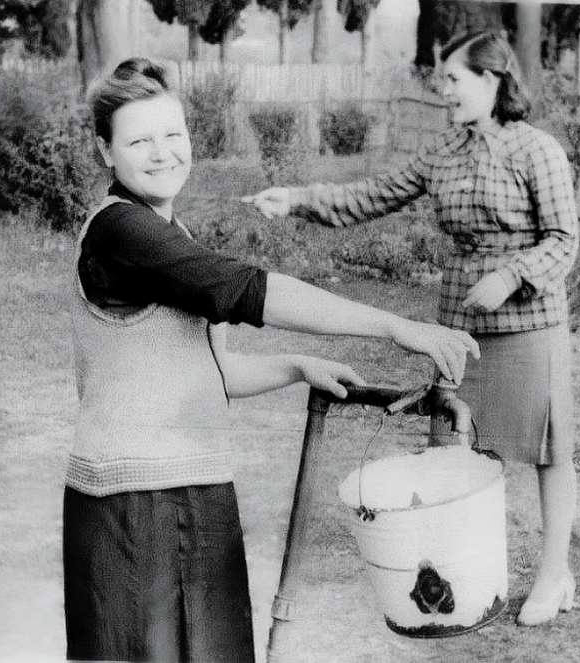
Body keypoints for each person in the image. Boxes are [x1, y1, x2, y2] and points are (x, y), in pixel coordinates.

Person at [65, 56, 480, 663]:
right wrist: (396, 326)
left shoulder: (169, 235)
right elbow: (247, 290)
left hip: (196, 490)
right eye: (139, 140)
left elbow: (209, 373)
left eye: (173, 135)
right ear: (106, 151)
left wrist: (295, 365)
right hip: (131, 508)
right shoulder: (121, 233)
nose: (162, 153)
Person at [243, 30, 580, 627]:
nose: (443, 89)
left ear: (491, 79)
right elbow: (375, 194)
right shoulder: (444, 151)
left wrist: (510, 276)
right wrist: (297, 198)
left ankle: (555, 574)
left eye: (454, 78)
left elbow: (563, 240)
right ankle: (456, 572)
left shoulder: (538, 150)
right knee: (453, 447)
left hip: (529, 323)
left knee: (547, 450)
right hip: (460, 327)